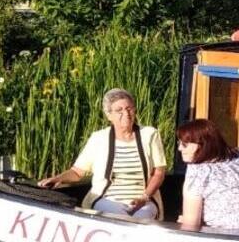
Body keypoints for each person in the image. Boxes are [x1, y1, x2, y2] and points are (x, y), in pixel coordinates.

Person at [38, 87, 167, 219]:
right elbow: (77, 172)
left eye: (129, 108)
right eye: (119, 110)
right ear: (109, 115)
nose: (126, 114)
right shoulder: (98, 138)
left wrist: (144, 198)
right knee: (118, 217)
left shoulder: (150, 134)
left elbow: (159, 173)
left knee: (142, 218)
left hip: (144, 200)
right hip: (107, 199)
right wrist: (57, 179)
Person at [176, 119, 239, 232]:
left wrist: (184, 221)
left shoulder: (197, 171)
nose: (179, 148)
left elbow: (191, 225)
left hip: (236, 234)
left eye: (184, 144)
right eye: (179, 143)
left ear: (202, 145)